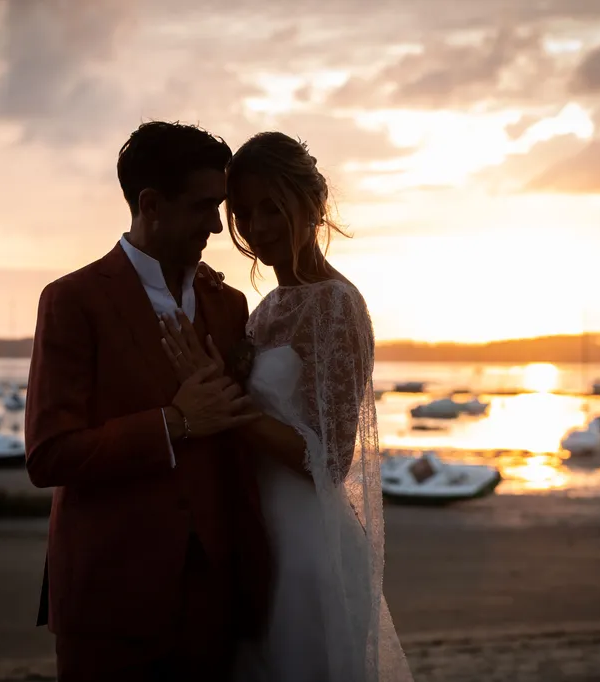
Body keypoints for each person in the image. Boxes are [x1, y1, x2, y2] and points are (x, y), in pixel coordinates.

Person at [160, 131, 412, 681]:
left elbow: (330, 460)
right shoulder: (266, 307)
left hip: (304, 546)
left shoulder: (337, 306)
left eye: (272, 208)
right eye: (243, 213)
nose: (257, 227)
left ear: (313, 206)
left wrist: (228, 408)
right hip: (252, 533)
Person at [24, 121, 271, 681]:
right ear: (151, 204)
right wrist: (176, 422)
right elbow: (48, 455)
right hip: (109, 605)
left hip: (216, 607)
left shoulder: (228, 304)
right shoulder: (73, 300)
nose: (217, 225)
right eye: (203, 206)